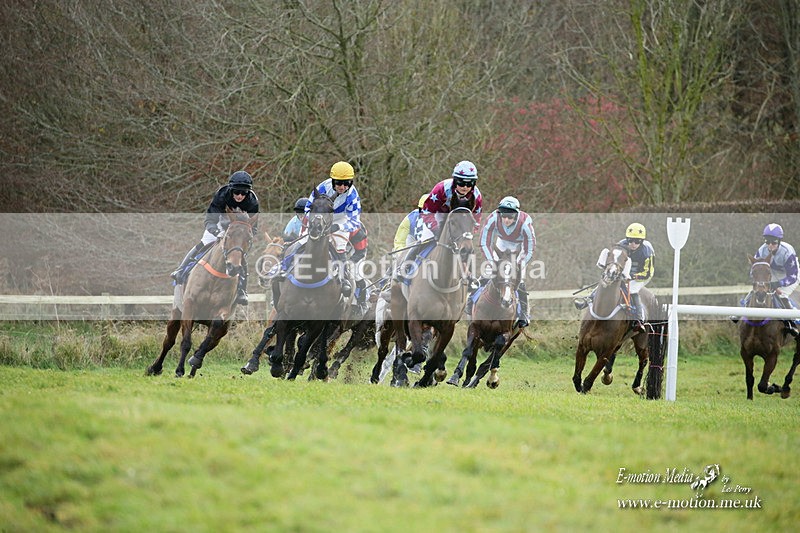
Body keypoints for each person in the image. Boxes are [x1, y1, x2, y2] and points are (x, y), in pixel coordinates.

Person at [170, 170, 259, 305]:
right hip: (218, 223)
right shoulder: (222, 195)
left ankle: (241, 290)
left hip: (238, 230)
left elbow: (254, 226)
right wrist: (217, 232)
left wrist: (246, 236)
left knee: (239, 254)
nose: (240, 196)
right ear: (231, 190)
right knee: (205, 242)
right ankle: (181, 270)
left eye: (244, 193)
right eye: (237, 192)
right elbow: (210, 220)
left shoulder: (253, 202)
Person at [395, 161, 483, 280]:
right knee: (424, 240)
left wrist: (468, 233)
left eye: (470, 184)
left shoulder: (476, 196)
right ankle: (405, 267)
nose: (465, 187)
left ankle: (470, 278)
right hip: (437, 217)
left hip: (459, 222)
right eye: (461, 183)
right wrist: (436, 230)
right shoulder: (442, 189)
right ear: (455, 180)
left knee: (468, 247)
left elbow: (476, 219)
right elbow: (426, 211)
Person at [466, 196, 535, 328]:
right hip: (500, 245)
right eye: (504, 216)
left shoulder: (525, 222)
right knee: (487, 273)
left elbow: (529, 248)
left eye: (510, 217)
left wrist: (519, 264)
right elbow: (484, 243)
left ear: (516, 216)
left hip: (519, 249)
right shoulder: (493, 218)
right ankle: (471, 301)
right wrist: (492, 261)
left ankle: (524, 314)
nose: (506, 220)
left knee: (519, 280)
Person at [574, 222, 654, 333]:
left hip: (641, 275)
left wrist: (631, 277)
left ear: (642, 241)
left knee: (633, 291)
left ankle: (639, 319)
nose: (633, 244)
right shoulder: (621, 245)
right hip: (624, 271)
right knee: (605, 282)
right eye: (630, 240)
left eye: (637, 241)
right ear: (627, 239)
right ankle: (587, 300)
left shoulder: (646, 253)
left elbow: (647, 273)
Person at [305, 161, 363, 299]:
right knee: (302, 239)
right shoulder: (322, 188)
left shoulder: (352, 195)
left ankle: (344, 280)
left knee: (339, 244)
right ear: (332, 181)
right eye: (338, 183)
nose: (342, 187)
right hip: (320, 217)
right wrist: (314, 221)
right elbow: (308, 208)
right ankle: (285, 269)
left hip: (341, 220)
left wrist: (339, 227)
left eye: (346, 183)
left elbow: (355, 221)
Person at [733, 224, 799, 337]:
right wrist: (759, 282)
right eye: (767, 242)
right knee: (755, 291)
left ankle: (792, 322)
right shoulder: (761, 250)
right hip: (770, 272)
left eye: (773, 242)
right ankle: (740, 312)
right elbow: (753, 270)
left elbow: (793, 276)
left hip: (790, 275)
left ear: (779, 241)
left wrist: (777, 285)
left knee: (782, 295)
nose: (770, 245)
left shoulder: (787, 252)